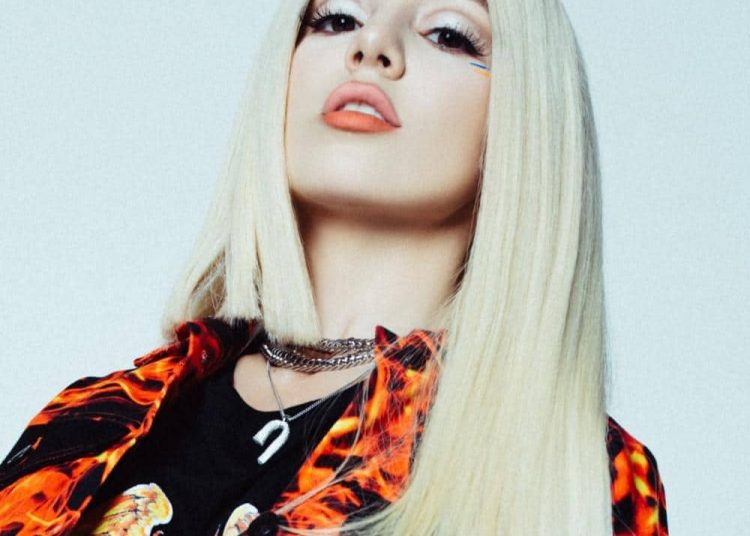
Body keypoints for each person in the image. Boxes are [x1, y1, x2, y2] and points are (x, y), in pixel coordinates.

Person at [0, 0, 668, 534]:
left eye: (449, 34)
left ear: (529, 120)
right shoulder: (86, 425)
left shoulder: (574, 473)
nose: (372, 45)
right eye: (337, 18)